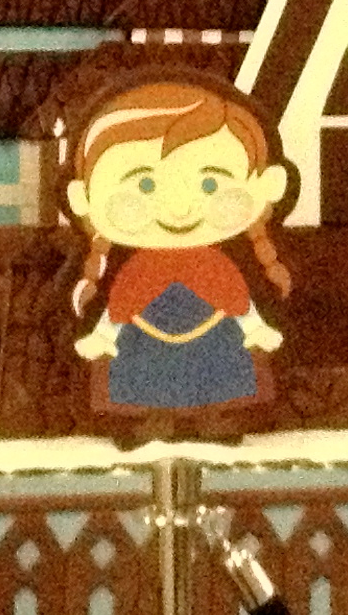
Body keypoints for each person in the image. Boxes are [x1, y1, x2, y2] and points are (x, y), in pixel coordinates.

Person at [64, 78, 293, 418]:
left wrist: (256, 328)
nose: (180, 208)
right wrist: (102, 336)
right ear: (82, 197)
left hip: (216, 346)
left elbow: (236, 298)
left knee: (221, 391)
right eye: (145, 184)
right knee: (137, 394)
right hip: (142, 350)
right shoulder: (137, 271)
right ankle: (140, 420)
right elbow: (120, 305)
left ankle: (219, 417)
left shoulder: (217, 267)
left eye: (210, 183)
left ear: (267, 185)